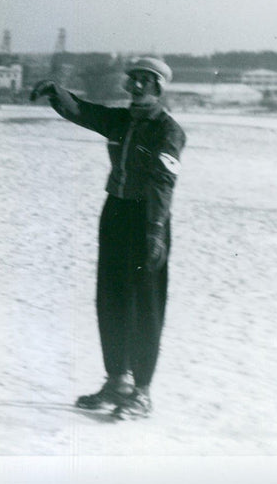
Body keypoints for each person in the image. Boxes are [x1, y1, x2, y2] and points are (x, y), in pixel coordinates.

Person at [30, 56, 185, 419]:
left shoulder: (168, 131)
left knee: (145, 306)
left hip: (147, 218)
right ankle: (117, 380)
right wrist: (58, 93)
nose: (137, 86)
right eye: (134, 80)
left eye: (146, 80)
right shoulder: (121, 120)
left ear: (159, 87)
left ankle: (142, 393)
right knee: (111, 299)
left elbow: (164, 183)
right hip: (115, 213)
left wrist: (156, 231)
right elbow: (85, 111)